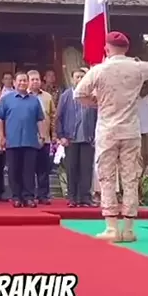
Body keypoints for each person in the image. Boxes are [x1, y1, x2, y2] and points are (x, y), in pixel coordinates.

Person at [74, 31, 148, 242]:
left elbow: (79, 94)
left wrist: (97, 102)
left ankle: (111, 226)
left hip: (107, 130)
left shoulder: (99, 70)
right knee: (130, 178)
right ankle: (128, 228)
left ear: (107, 49)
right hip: (130, 130)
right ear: (126, 49)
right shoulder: (138, 68)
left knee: (107, 177)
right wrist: (131, 60)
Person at [0, 72, 46, 208]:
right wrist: (1, 137)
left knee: (29, 171)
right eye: (20, 81)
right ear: (14, 83)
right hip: (12, 141)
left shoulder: (34, 100)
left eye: (25, 80)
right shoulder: (6, 99)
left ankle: (28, 197)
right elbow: (0, 119)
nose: (22, 83)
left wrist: (42, 136)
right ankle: (16, 197)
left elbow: (40, 119)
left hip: (30, 141)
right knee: (14, 171)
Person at [57, 69, 97, 207]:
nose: (79, 79)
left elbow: (98, 117)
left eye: (82, 77)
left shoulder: (91, 96)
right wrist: (61, 136)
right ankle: (72, 197)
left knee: (86, 169)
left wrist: (96, 135)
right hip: (70, 138)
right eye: (77, 77)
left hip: (88, 138)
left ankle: (85, 197)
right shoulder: (66, 95)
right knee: (72, 169)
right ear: (72, 79)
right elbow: (59, 117)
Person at [27, 70, 56, 204]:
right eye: (32, 79)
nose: (35, 82)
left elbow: (53, 117)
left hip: (45, 138)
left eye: (37, 79)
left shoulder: (47, 97)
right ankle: (29, 195)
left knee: (43, 169)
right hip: (29, 139)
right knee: (29, 169)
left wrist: (53, 134)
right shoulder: (23, 97)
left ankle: (43, 195)